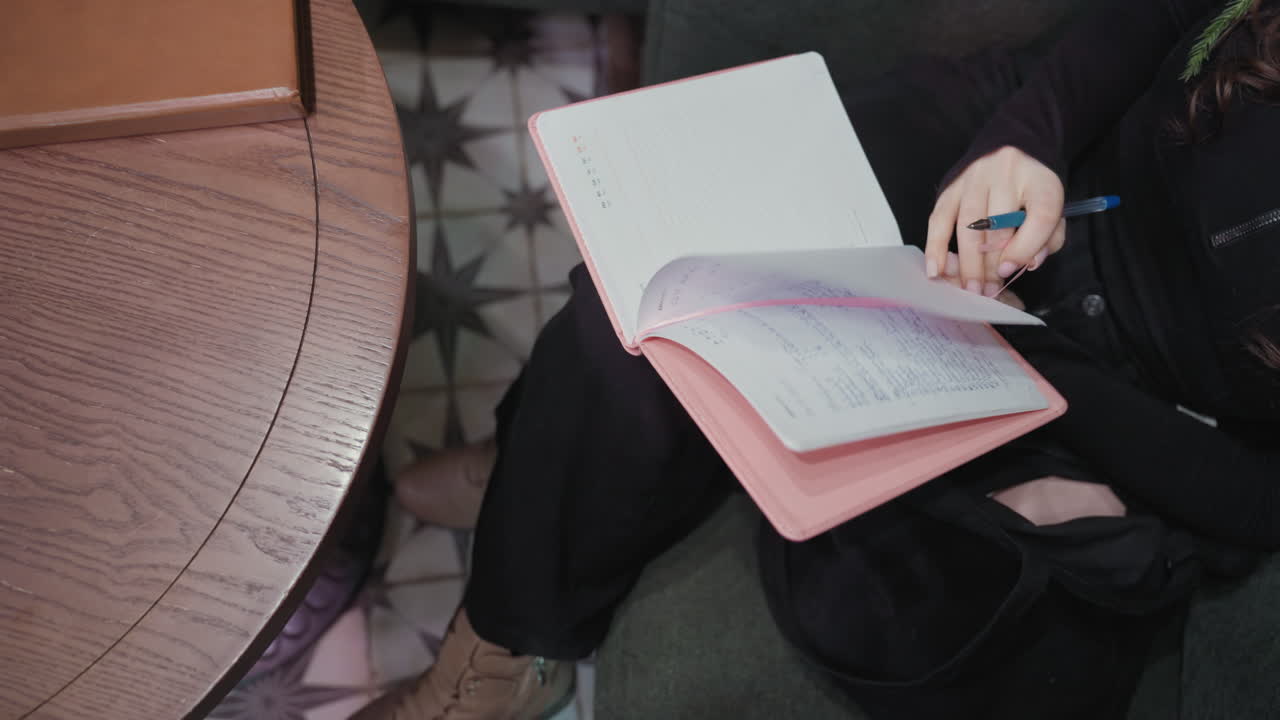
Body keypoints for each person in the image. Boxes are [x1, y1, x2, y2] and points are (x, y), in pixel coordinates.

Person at [358, 0, 1280, 717]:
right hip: (1035, 157)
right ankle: (523, 574)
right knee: (657, 284)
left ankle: (562, 482)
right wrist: (1023, 138)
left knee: (897, 601)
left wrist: (1035, 371)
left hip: (1124, 402)